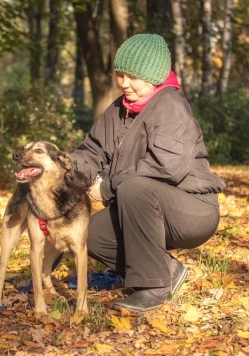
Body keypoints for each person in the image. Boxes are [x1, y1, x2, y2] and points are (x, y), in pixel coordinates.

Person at [71, 33, 226, 313]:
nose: (123, 83)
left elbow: (162, 168)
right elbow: (92, 150)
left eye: (132, 77)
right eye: (120, 74)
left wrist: (106, 188)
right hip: (142, 204)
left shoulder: (172, 108)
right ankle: (166, 269)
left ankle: (154, 288)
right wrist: (67, 171)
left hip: (192, 208)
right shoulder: (120, 109)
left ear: (153, 76)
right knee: (90, 234)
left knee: (134, 186)